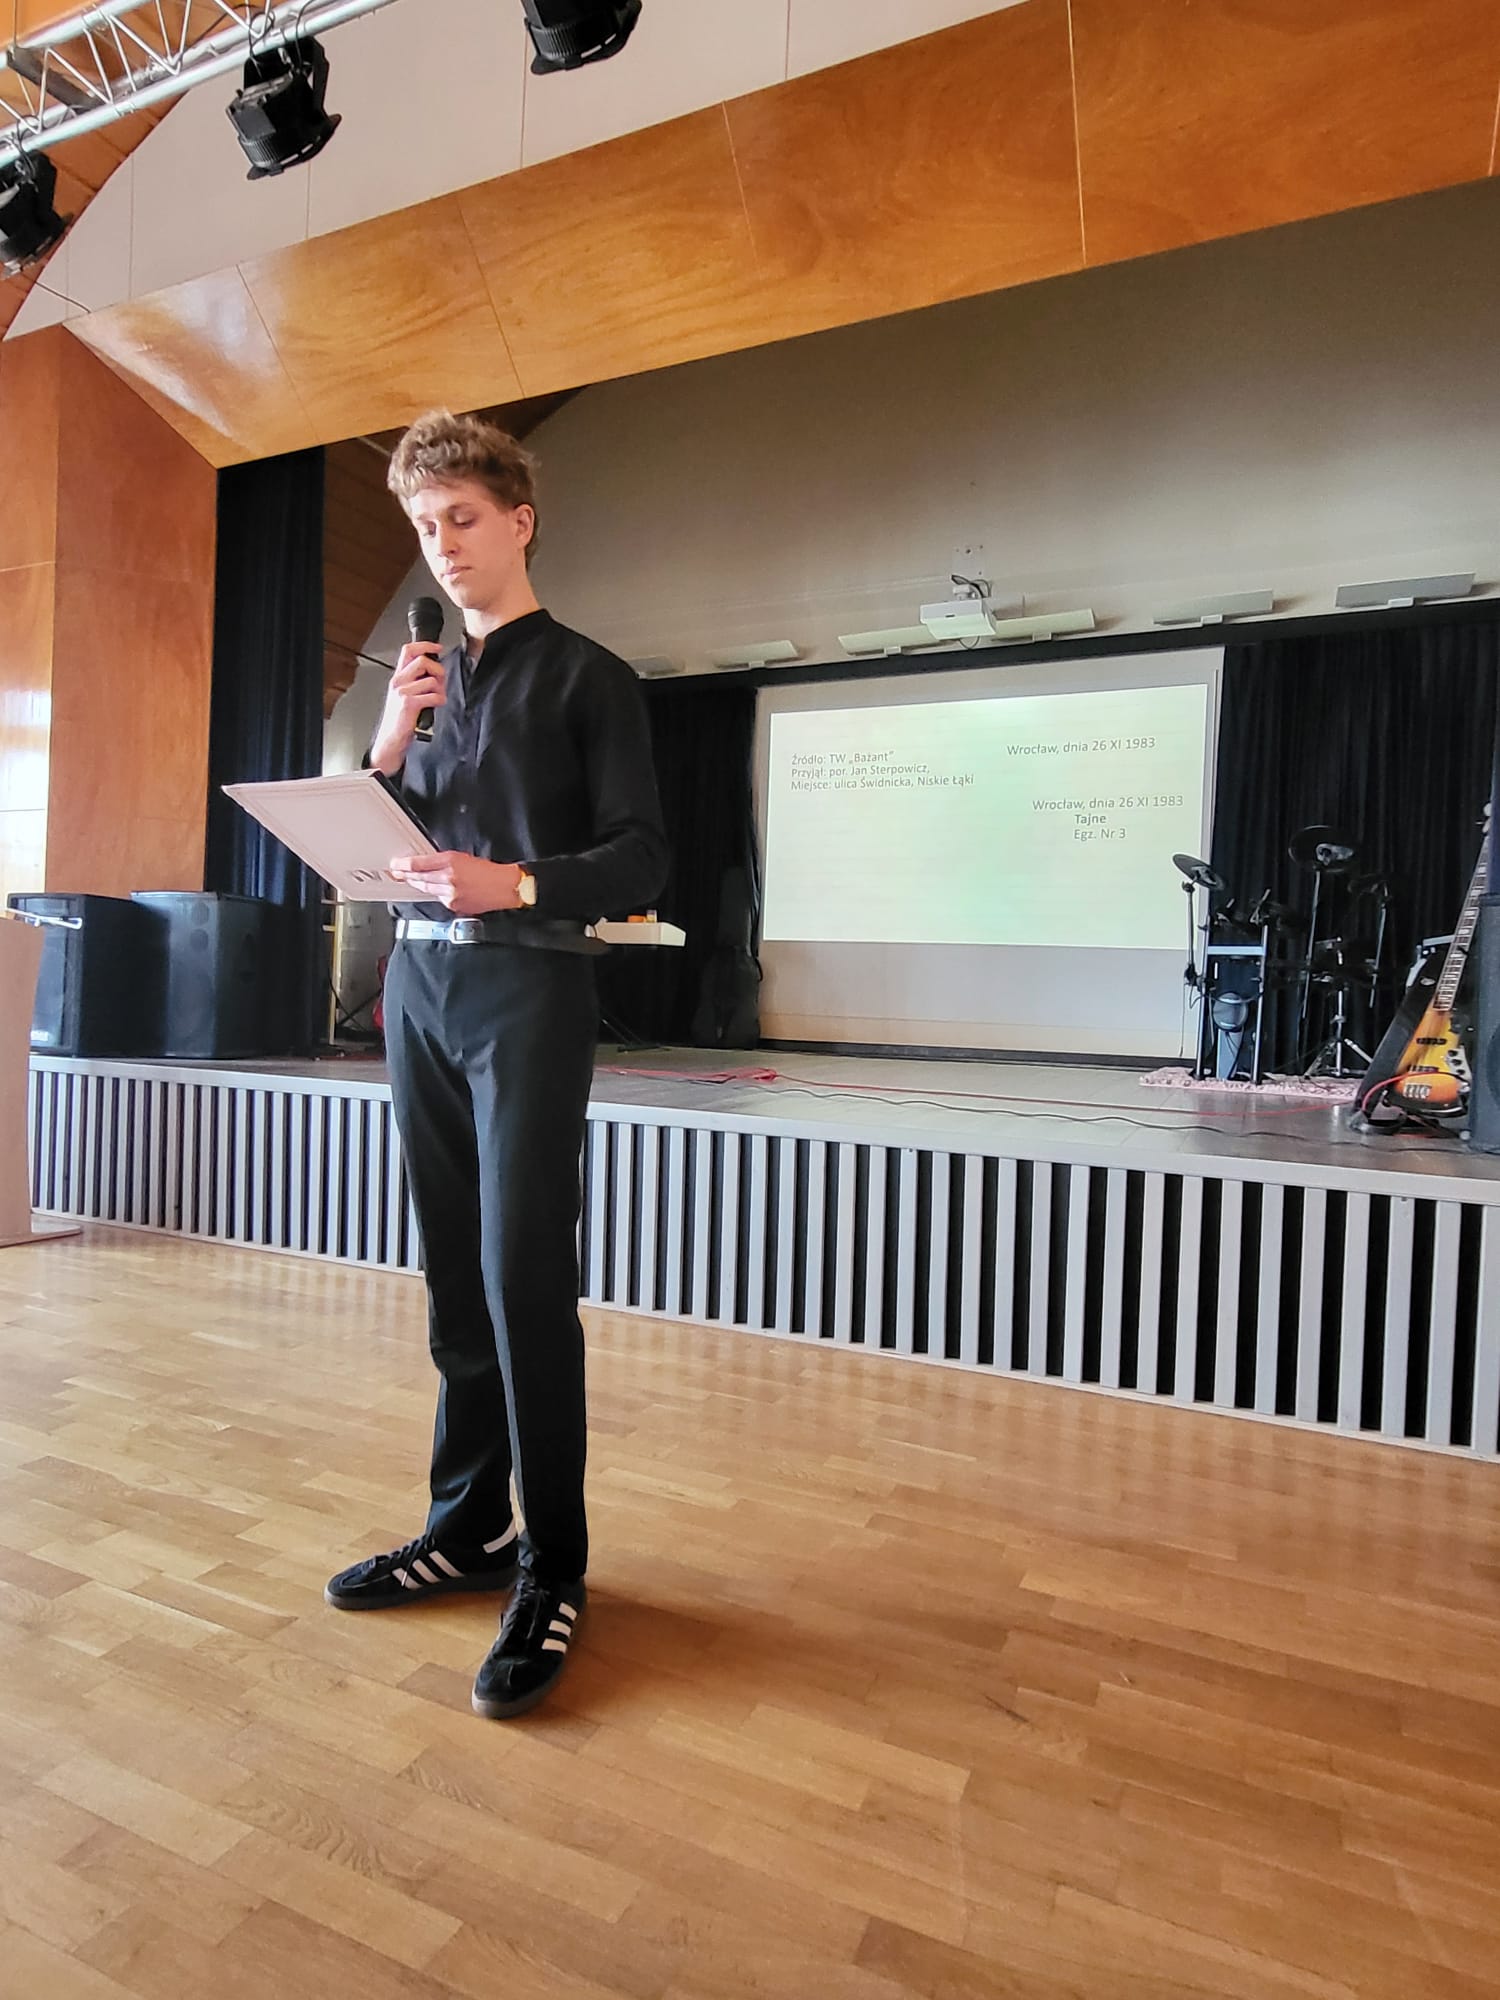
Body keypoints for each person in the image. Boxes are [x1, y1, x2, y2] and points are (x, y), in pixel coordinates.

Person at [324, 410, 667, 1720]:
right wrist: (387, 748)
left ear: (519, 521)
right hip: (419, 988)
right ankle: (467, 1526)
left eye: (461, 518)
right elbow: (389, 842)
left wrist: (513, 879)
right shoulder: (423, 686)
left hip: (528, 985)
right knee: (452, 1275)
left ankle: (553, 1562)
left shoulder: (589, 678)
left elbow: (640, 856)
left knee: (525, 1274)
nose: (442, 545)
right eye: (424, 526)